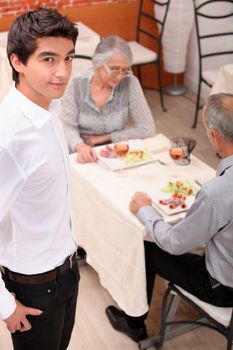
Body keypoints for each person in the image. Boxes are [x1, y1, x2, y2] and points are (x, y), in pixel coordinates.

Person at [105, 93, 233, 342]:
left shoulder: (216, 194)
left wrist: (145, 210)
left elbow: (175, 244)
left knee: (146, 247)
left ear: (215, 135)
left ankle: (134, 324)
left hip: (223, 288)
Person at [0, 8, 80, 350]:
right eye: (49, 59)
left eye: (68, 58)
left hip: (68, 269)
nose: (62, 72)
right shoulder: (9, 139)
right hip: (34, 289)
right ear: (18, 62)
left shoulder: (50, 109)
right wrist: (4, 306)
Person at [59, 35, 156, 163]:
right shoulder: (75, 85)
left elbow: (147, 129)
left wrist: (105, 138)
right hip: (82, 154)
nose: (120, 76)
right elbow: (66, 126)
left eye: (125, 70)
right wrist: (80, 146)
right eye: (114, 69)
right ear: (97, 63)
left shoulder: (130, 82)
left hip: (116, 152)